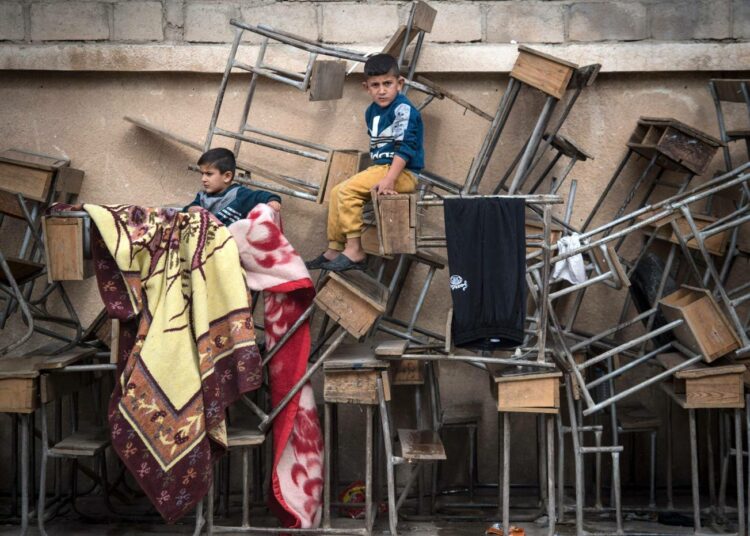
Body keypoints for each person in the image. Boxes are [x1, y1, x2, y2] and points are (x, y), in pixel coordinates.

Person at [305, 53, 424, 272]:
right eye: (375, 85)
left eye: (387, 84)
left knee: (347, 192)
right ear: (366, 87)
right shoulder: (371, 111)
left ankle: (354, 250)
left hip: (401, 172)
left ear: (399, 83)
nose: (381, 90)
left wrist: (390, 179)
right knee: (336, 192)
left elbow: (405, 148)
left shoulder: (403, 109)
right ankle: (334, 248)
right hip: (381, 169)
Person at [184, 147, 281, 226]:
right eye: (202, 174)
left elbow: (259, 196)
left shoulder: (239, 195)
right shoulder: (202, 197)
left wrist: (273, 200)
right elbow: (187, 209)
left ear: (227, 176)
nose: (203, 179)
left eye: (209, 174)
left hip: (232, 247)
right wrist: (189, 209)